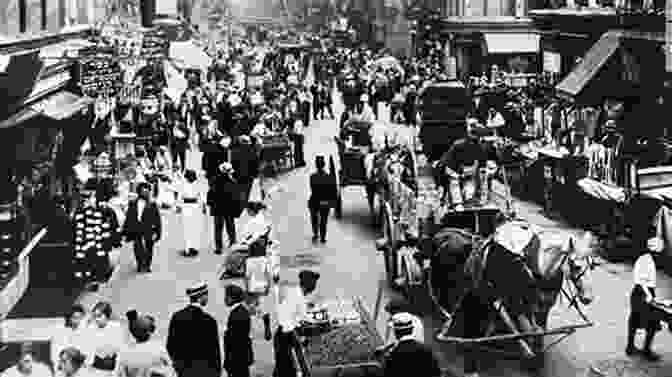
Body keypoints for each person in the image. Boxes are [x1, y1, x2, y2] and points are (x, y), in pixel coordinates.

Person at [626, 236, 669, 361]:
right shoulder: (645, 260)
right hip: (642, 292)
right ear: (653, 252)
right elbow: (641, 280)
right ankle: (645, 350)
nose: (659, 255)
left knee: (635, 319)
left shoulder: (648, 259)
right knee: (650, 321)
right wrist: (649, 295)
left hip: (643, 292)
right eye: (658, 253)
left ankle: (632, 347)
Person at [166, 283, 222, 377]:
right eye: (206, 295)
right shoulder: (209, 321)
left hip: (184, 372)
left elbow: (170, 346)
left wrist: (179, 366)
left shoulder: (177, 317)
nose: (207, 298)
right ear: (201, 297)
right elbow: (214, 353)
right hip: (206, 372)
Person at [273, 270, 320, 377]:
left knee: (283, 368)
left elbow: (299, 314)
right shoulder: (296, 296)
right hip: (284, 336)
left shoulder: (297, 294)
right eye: (314, 284)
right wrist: (296, 337)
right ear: (308, 284)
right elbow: (287, 318)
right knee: (286, 369)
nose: (315, 287)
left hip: (287, 335)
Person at [115, 310, 173, 377]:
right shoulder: (159, 349)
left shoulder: (124, 353)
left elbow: (118, 374)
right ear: (149, 331)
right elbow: (170, 372)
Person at [122, 182, 162, 273]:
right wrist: (125, 231)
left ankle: (147, 265)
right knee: (137, 247)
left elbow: (157, 219)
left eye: (147, 192)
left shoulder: (152, 204)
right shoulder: (133, 203)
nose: (145, 193)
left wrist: (157, 232)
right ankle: (140, 264)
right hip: (137, 228)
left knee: (149, 247)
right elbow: (129, 217)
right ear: (139, 192)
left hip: (148, 228)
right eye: (143, 191)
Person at [209, 162, 243, 254]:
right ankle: (232, 243)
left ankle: (218, 247)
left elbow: (210, 196)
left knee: (218, 228)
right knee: (230, 227)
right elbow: (236, 197)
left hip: (217, 209)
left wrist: (211, 206)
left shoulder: (214, 181)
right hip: (228, 209)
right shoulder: (232, 182)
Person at [223, 284, 254, 377]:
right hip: (240, 360)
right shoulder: (241, 312)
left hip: (237, 361)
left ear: (232, 298)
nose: (225, 299)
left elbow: (236, 341)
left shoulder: (237, 314)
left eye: (226, 296)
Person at [86, 301, 125, 373]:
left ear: (107, 316)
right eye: (95, 316)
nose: (97, 319)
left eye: (99, 316)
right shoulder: (91, 328)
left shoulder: (116, 328)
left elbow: (120, 351)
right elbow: (89, 350)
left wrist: (116, 371)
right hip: (96, 366)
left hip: (111, 366)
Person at [50, 305, 90, 370]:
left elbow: (88, 355)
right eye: (75, 318)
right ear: (69, 318)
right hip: (64, 368)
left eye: (80, 318)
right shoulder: (59, 332)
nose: (78, 321)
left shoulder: (86, 333)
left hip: (81, 369)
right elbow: (55, 356)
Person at [308, 156, 336, 243]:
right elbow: (331, 190)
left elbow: (312, 189)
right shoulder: (328, 177)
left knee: (314, 218)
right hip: (324, 201)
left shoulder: (312, 177)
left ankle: (316, 233)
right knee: (324, 220)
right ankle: (323, 237)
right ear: (324, 165)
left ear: (316, 165)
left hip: (315, 200)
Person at [177, 170, 205, 257]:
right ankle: (192, 248)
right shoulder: (197, 185)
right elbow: (202, 197)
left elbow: (180, 196)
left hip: (188, 207)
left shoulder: (184, 185)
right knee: (193, 228)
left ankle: (190, 249)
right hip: (194, 207)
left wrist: (178, 206)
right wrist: (203, 207)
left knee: (189, 228)